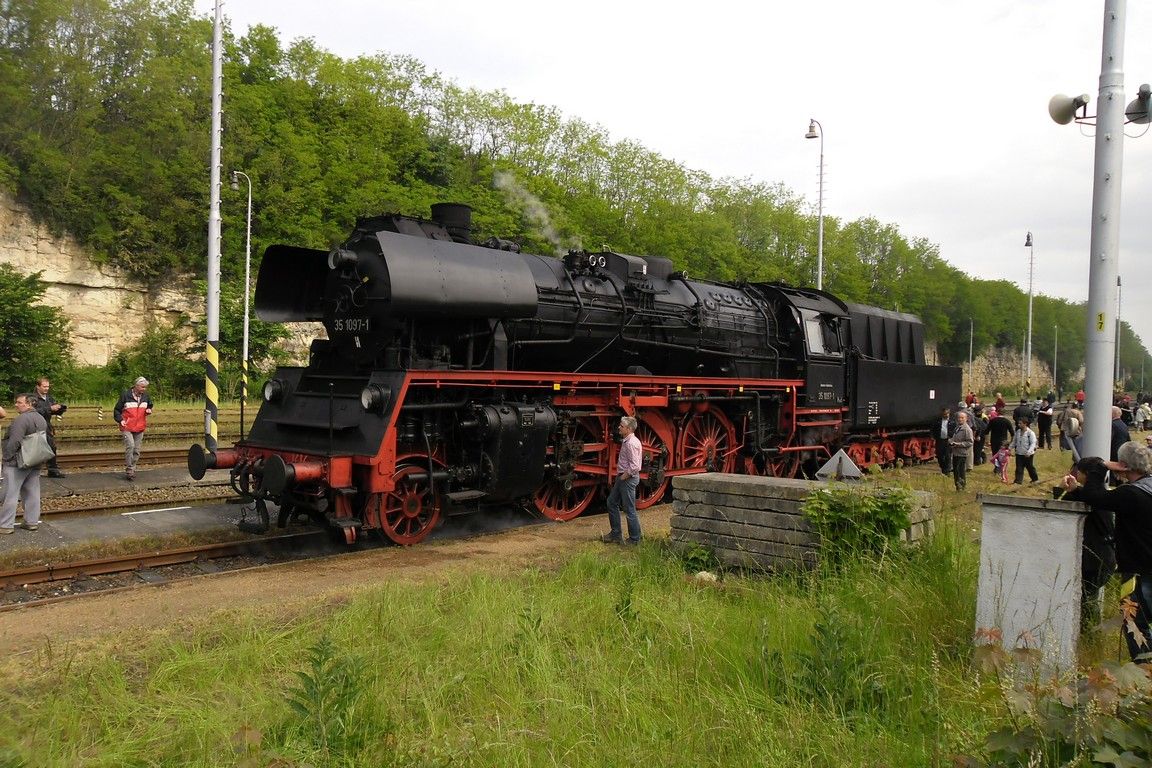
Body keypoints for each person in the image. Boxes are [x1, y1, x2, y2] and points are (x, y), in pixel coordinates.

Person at [1061, 441, 1152, 663]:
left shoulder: (1131, 494)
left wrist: (1099, 467)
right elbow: (1102, 498)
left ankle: (1146, 672)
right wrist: (1077, 491)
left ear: (1123, 466)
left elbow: (1097, 497)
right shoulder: (1145, 490)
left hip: (1140, 571)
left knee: (1134, 624)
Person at [1056, 456, 1117, 627]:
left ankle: (1089, 631)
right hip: (1105, 557)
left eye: (1079, 472)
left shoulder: (1095, 498)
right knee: (1089, 597)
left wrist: (1060, 490)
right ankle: (1090, 632)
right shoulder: (1103, 496)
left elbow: (1057, 510)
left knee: (1087, 599)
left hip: (1094, 559)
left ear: (1085, 475)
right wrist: (1074, 490)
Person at [1, 393, 49, 534]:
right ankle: (31, 522)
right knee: (32, 492)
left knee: (11, 493)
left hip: (18, 461)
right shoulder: (40, 418)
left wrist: (7, 458)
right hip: (35, 460)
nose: (16, 404)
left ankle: (5, 525)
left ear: (29, 404)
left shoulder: (21, 420)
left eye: (19, 402)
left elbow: (15, 441)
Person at [601, 415, 643, 545]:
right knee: (612, 502)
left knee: (629, 509)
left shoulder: (631, 443)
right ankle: (616, 534)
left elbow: (635, 466)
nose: (619, 427)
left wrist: (624, 476)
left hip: (627, 479)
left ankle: (635, 539)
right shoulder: (629, 441)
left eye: (622, 426)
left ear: (629, 429)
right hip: (623, 478)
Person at [114, 376, 153, 481]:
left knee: (136, 450)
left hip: (140, 427)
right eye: (142, 387)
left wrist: (149, 410)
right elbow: (117, 410)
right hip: (127, 426)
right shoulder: (125, 395)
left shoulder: (146, 396)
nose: (144, 389)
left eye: (145, 387)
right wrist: (120, 420)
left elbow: (150, 405)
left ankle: (133, 468)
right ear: (136, 386)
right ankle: (130, 470)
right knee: (130, 446)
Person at [31, 376, 66, 478]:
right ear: (38, 387)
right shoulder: (32, 399)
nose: (46, 388)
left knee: (51, 447)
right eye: (44, 386)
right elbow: (33, 411)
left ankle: (52, 470)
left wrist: (60, 409)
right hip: (35, 425)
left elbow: (52, 410)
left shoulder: (49, 398)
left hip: (46, 425)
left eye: (48, 387)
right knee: (34, 449)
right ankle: (32, 471)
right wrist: (49, 408)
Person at [949, 411, 974, 491]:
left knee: (960, 470)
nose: (960, 419)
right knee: (955, 470)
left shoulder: (967, 429)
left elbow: (970, 442)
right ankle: (957, 486)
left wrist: (958, 444)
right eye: (959, 418)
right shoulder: (957, 428)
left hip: (962, 453)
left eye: (962, 418)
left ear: (966, 419)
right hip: (955, 452)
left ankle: (962, 486)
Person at [1013, 416, 1039, 484]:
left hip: (1027, 454)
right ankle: (1018, 481)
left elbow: (1033, 443)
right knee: (1019, 468)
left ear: (1025, 424)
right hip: (1019, 453)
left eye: (1020, 423)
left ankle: (1035, 479)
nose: (1019, 425)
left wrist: (1029, 452)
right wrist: (1010, 448)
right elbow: (1014, 441)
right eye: (1018, 423)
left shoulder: (1030, 433)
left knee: (1029, 467)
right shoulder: (1018, 432)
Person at [934, 407, 953, 476]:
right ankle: (943, 468)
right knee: (940, 455)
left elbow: (955, 430)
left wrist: (952, 437)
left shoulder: (952, 422)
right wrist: (933, 437)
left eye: (947, 414)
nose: (946, 415)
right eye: (944, 414)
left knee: (948, 456)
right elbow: (933, 429)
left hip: (948, 441)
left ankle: (947, 471)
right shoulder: (938, 421)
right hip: (940, 440)